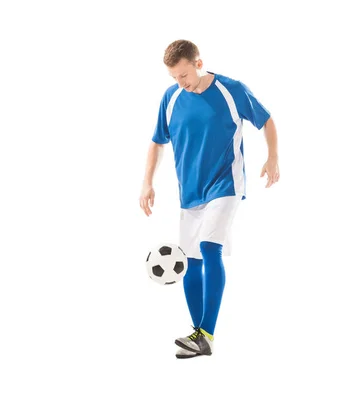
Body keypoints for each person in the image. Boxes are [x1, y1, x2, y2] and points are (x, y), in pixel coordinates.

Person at [139, 39, 280, 359]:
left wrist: (273, 157)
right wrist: (147, 182)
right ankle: (199, 335)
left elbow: (266, 120)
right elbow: (156, 143)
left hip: (226, 185)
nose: (181, 82)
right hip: (190, 192)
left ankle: (206, 334)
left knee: (209, 246)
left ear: (198, 64)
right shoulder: (171, 97)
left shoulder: (232, 90)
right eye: (174, 77)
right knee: (190, 260)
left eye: (184, 75)